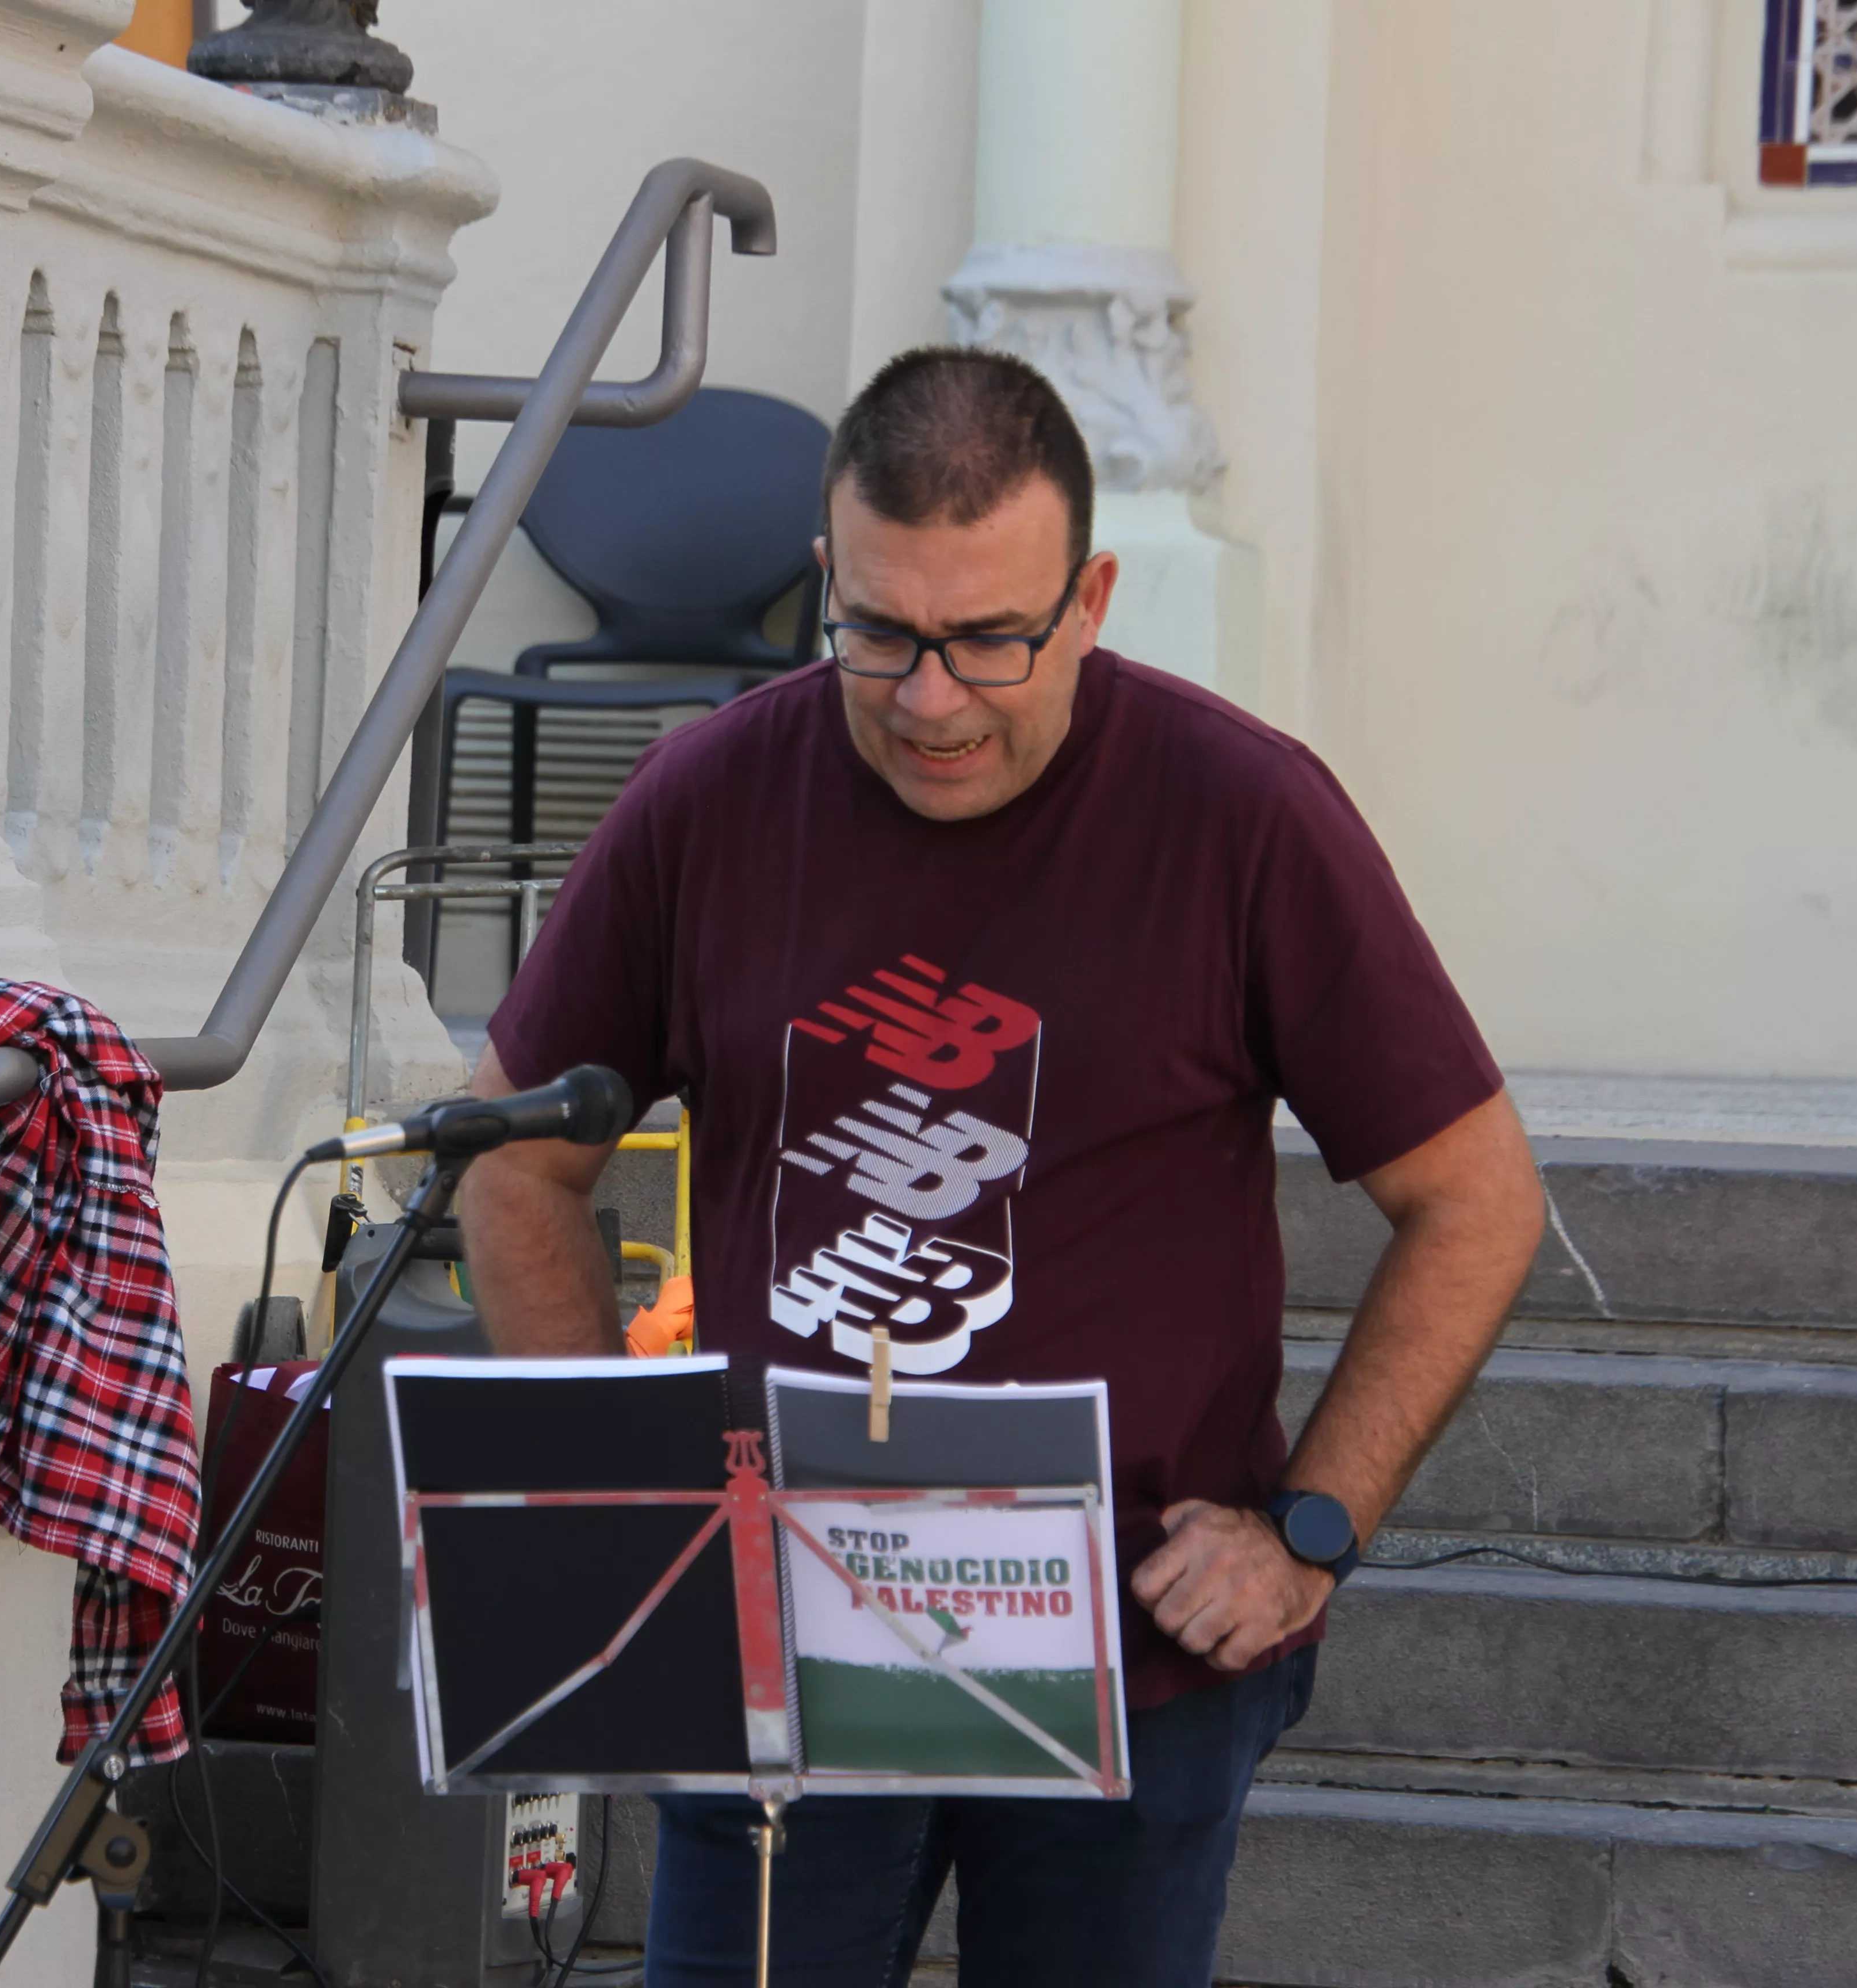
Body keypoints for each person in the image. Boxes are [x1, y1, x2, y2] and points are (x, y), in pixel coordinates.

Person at [454, 347, 1546, 1987]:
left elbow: (1474, 1198)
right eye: (881, 635)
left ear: (1091, 598)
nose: (931, 697)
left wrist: (1311, 1526)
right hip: (789, 1645)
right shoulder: (707, 801)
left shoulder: (1245, 816)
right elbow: (514, 1161)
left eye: (989, 642)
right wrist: (623, 1511)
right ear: (828, 579)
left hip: (1129, 1649)